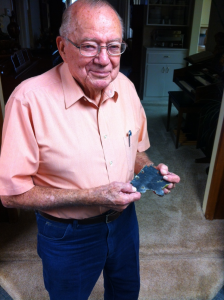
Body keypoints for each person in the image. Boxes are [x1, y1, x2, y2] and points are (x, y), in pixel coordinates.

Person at [0, 0, 180, 299]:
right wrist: (91, 196)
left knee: (126, 292)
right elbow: (9, 194)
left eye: (113, 46)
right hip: (67, 234)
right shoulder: (27, 100)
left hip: (124, 223)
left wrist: (151, 172)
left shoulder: (126, 87)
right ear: (63, 45)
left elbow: (135, 151)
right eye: (88, 46)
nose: (104, 59)